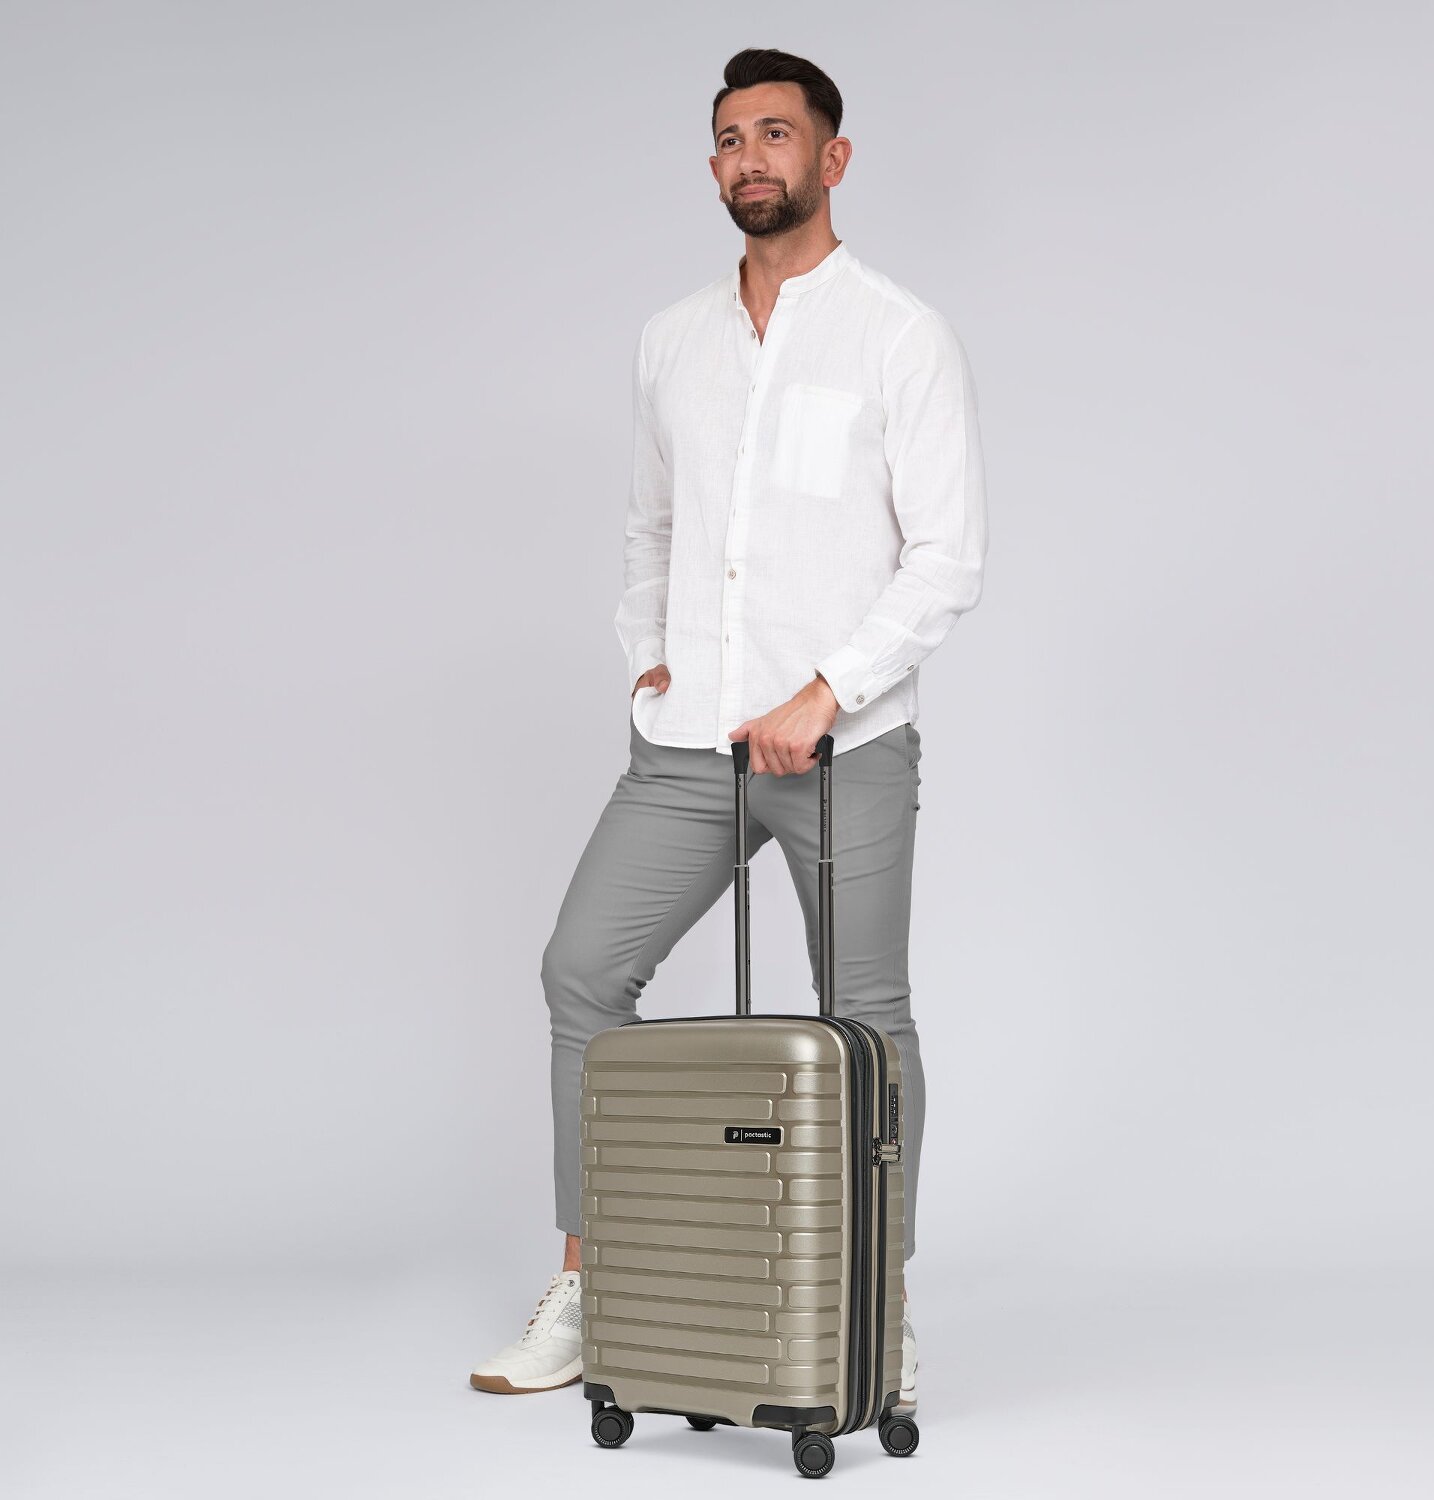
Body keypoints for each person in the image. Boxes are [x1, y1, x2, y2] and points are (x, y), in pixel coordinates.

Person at [469, 46, 988, 1410]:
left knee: (865, 1017)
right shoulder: (672, 338)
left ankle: (877, 1305)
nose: (750, 158)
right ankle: (593, 1283)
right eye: (728, 139)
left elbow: (947, 558)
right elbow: (651, 526)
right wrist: (648, 655)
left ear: (833, 157)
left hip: (845, 748)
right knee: (584, 973)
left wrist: (827, 690)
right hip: (688, 744)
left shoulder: (899, 334)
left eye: (775, 133)